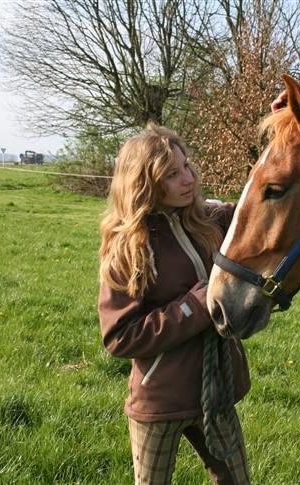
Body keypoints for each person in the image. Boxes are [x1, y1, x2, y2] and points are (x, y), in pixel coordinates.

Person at [97, 123, 251, 485]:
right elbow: (120, 336)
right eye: (172, 174)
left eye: (187, 167)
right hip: (160, 401)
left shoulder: (211, 219)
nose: (189, 179)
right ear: (144, 184)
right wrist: (195, 306)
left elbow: (262, 200)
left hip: (216, 392)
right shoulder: (128, 248)